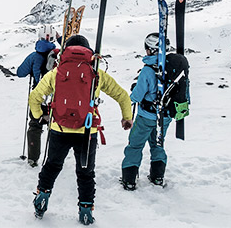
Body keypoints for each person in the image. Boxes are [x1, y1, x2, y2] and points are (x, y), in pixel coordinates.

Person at [29, 34, 133, 225]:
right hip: (87, 131)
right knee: (85, 173)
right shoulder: (97, 74)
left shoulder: (56, 72)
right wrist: (127, 117)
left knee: (52, 166)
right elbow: (122, 95)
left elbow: (35, 97)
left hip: (59, 129)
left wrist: (39, 116)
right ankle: (85, 209)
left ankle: (42, 198)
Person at [120, 33, 190, 190]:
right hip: (165, 117)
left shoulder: (148, 70)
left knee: (135, 145)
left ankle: (129, 179)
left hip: (146, 116)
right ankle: (157, 177)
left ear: (150, 50)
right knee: (158, 145)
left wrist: (133, 90)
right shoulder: (174, 68)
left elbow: (136, 97)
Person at [17, 24, 60, 167]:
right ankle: (56, 158)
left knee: (35, 125)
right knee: (57, 127)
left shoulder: (34, 56)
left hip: (38, 96)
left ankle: (33, 158)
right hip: (56, 97)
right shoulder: (60, 54)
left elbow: (20, 72)